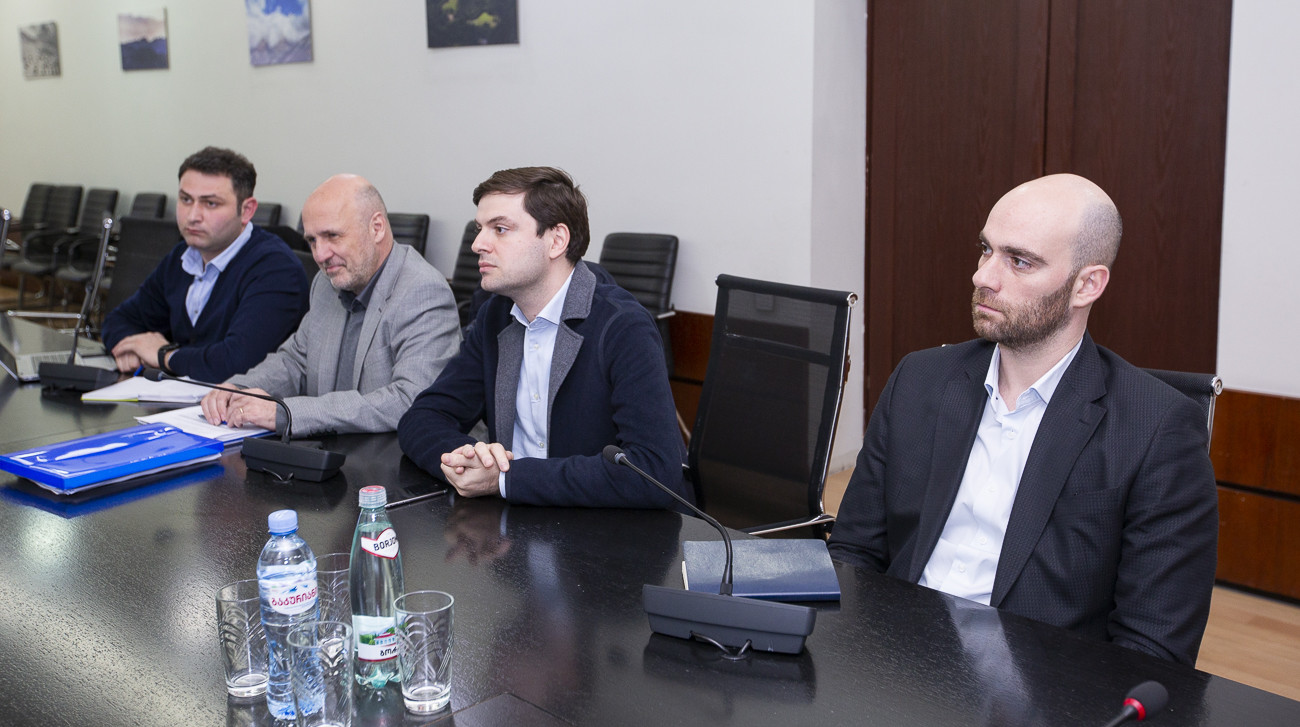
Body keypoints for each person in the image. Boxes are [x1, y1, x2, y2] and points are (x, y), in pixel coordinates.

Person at [826, 174, 1218, 666]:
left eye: (1019, 261)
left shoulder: (1157, 431)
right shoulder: (919, 379)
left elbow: (1151, 651)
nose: (984, 277)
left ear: (1087, 285)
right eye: (985, 250)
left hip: (1038, 690)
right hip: (893, 666)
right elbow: (855, 554)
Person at [398, 167, 688, 508]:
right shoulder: (495, 317)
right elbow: (422, 418)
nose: (478, 245)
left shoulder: (623, 327)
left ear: (556, 240)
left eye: (500, 229)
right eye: (480, 229)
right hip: (515, 526)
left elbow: (654, 471)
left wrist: (505, 479)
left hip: (609, 530)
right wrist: (468, 460)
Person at [198, 174, 460, 436]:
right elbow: (296, 362)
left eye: (332, 236)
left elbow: (410, 399)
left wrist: (287, 413)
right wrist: (240, 389)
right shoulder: (327, 283)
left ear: (377, 228)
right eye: (312, 240)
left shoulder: (423, 292)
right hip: (330, 450)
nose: (320, 255)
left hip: (388, 456)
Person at [102, 147, 309, 382]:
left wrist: (164, 355)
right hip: (178, 397)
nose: (192, 216)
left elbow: (237, 363)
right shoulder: (182, 256)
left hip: (239, 402)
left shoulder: (277, 269)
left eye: (210, 203)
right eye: (186, 200)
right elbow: (118, 321)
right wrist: (131, 348)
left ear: (246, 210)